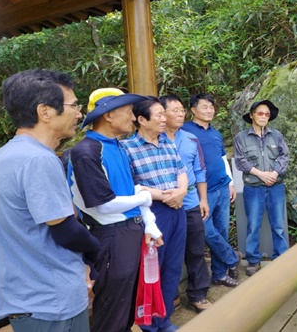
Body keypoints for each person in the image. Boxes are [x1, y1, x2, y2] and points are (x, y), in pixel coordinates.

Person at [0, 69, 99, 332]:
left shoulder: (4, 155)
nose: (79, 114)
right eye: (73, 105)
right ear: (44, 111)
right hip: (51, 300)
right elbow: (65, 230)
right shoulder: (38, 160)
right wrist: (95, 250)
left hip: (24, 295)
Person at [68, 88, 163, 332]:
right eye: (129, 112)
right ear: (108, 115)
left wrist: (148, 222)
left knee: (127, 301)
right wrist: (143, 197)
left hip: (130, 232)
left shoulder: (117, 146)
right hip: (109, 235)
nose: (133, 118)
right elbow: (103, 204)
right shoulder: (86, 151)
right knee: (112, 305)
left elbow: (131, 190)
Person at [121, 96, 188, 332]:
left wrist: (181, 191)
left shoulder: (168, 142)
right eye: (159, 115)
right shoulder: (127, 148)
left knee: (172, 266)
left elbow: (181, 172)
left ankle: (164, 320)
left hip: (177, 209)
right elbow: (130, 186)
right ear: (141, 119)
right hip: (152, 213)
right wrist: (164, 196)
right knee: (152, 270)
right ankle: (148, 324)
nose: (165, 118)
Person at [181, 93, 242, 287]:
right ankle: (231, 258)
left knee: (222, 231)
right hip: (200, 192)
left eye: (211, 107)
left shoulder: (216, 133)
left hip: (222, 188)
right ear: (193, 110)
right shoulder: (184, 131)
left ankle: (219, 274)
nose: (210, 110)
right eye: (205, 107)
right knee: (206, 231)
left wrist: (231, 183)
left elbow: (223, 159)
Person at [160, 95, 213, 313]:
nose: (181, 114)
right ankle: (169, 295)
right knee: (166, 252)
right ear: (161, 114)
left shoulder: (191, 139)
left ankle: (198, 294)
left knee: (196, 250)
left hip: (190, 201)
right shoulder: (154, 139)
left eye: (182, 110)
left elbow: (200, 170)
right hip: (163, 203)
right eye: (175, 110)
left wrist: (203, 200)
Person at [234, 100, 290, 276]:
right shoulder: (241, 137)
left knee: (279, 225)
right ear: (251, 115)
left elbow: (284, 156)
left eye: (267, 114)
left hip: (276, 186)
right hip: (254, 187)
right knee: (253, 225)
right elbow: (241, 161)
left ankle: (281, 258)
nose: (264, 116)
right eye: (260, 113)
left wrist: (274, 173)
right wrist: (261, 174)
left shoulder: (277, 135)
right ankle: (253, 260)